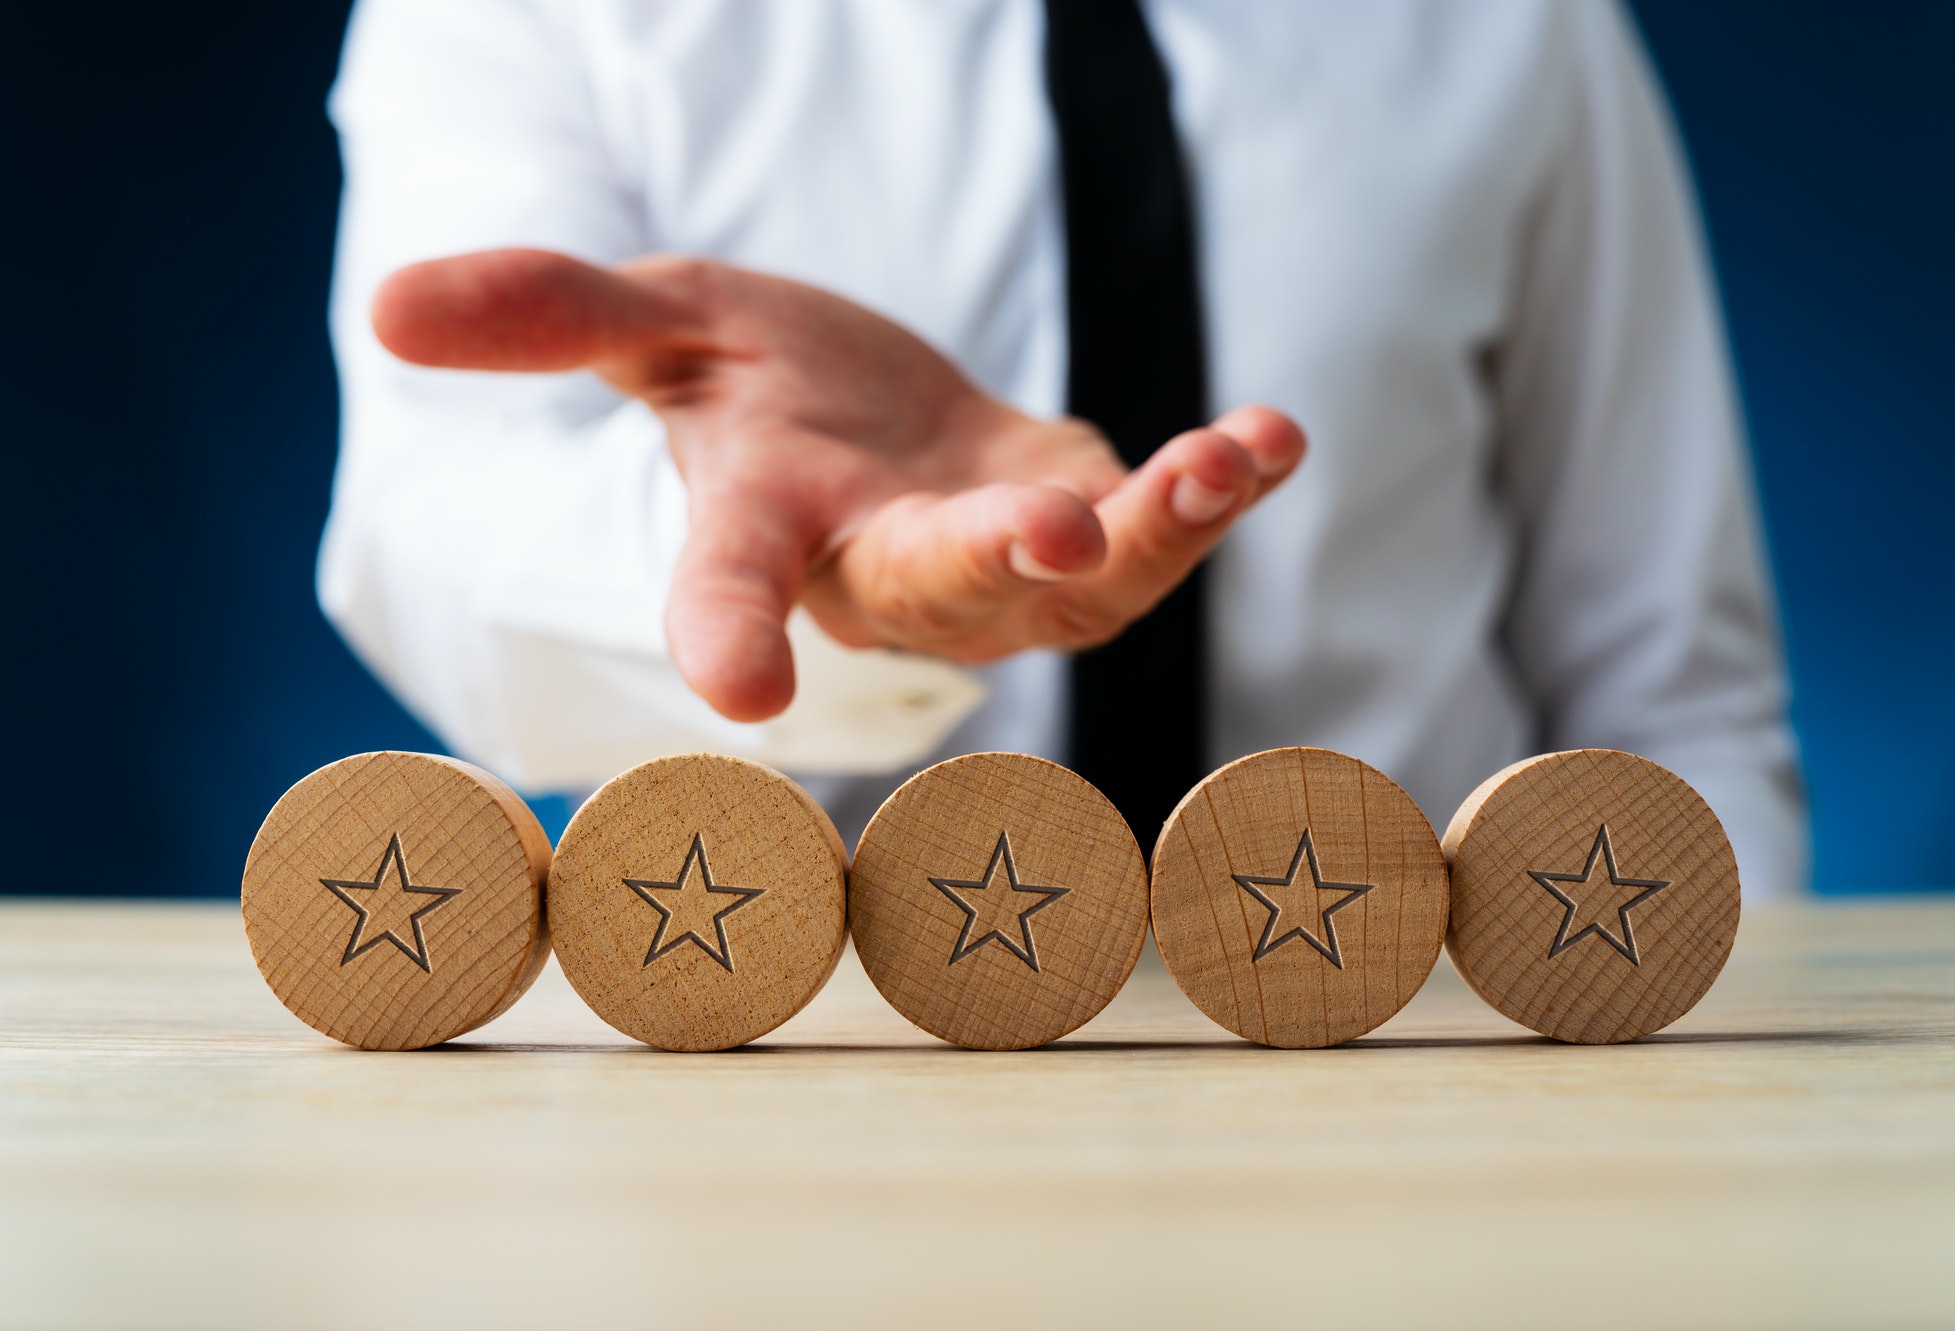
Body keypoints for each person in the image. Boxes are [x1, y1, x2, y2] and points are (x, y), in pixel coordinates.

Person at [320, 0, 1804, 899]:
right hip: (789, 1073)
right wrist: (806, 584)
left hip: (1425, 1055)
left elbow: (1675, 692)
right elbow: (432, 535)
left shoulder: (1509, 25)